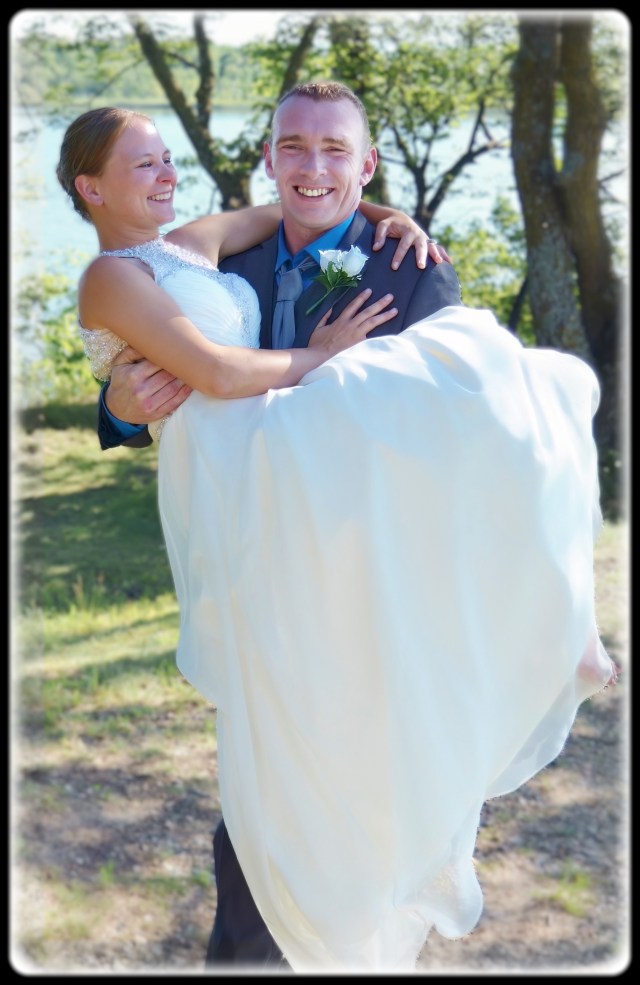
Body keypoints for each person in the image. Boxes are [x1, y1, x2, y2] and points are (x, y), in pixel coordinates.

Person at [59, 89, 615, 974]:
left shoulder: (406, 265)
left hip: (372, 583)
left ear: (363, 163)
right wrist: (119, 405)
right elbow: (174, 365)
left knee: (502, 375)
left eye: (335, 152)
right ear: (272, 158)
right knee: (265, 802)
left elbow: (461, 452)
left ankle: (561, 621)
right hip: (259, 553)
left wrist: (377, 207)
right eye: (293, 149)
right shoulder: (218, 262)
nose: (311, 167)